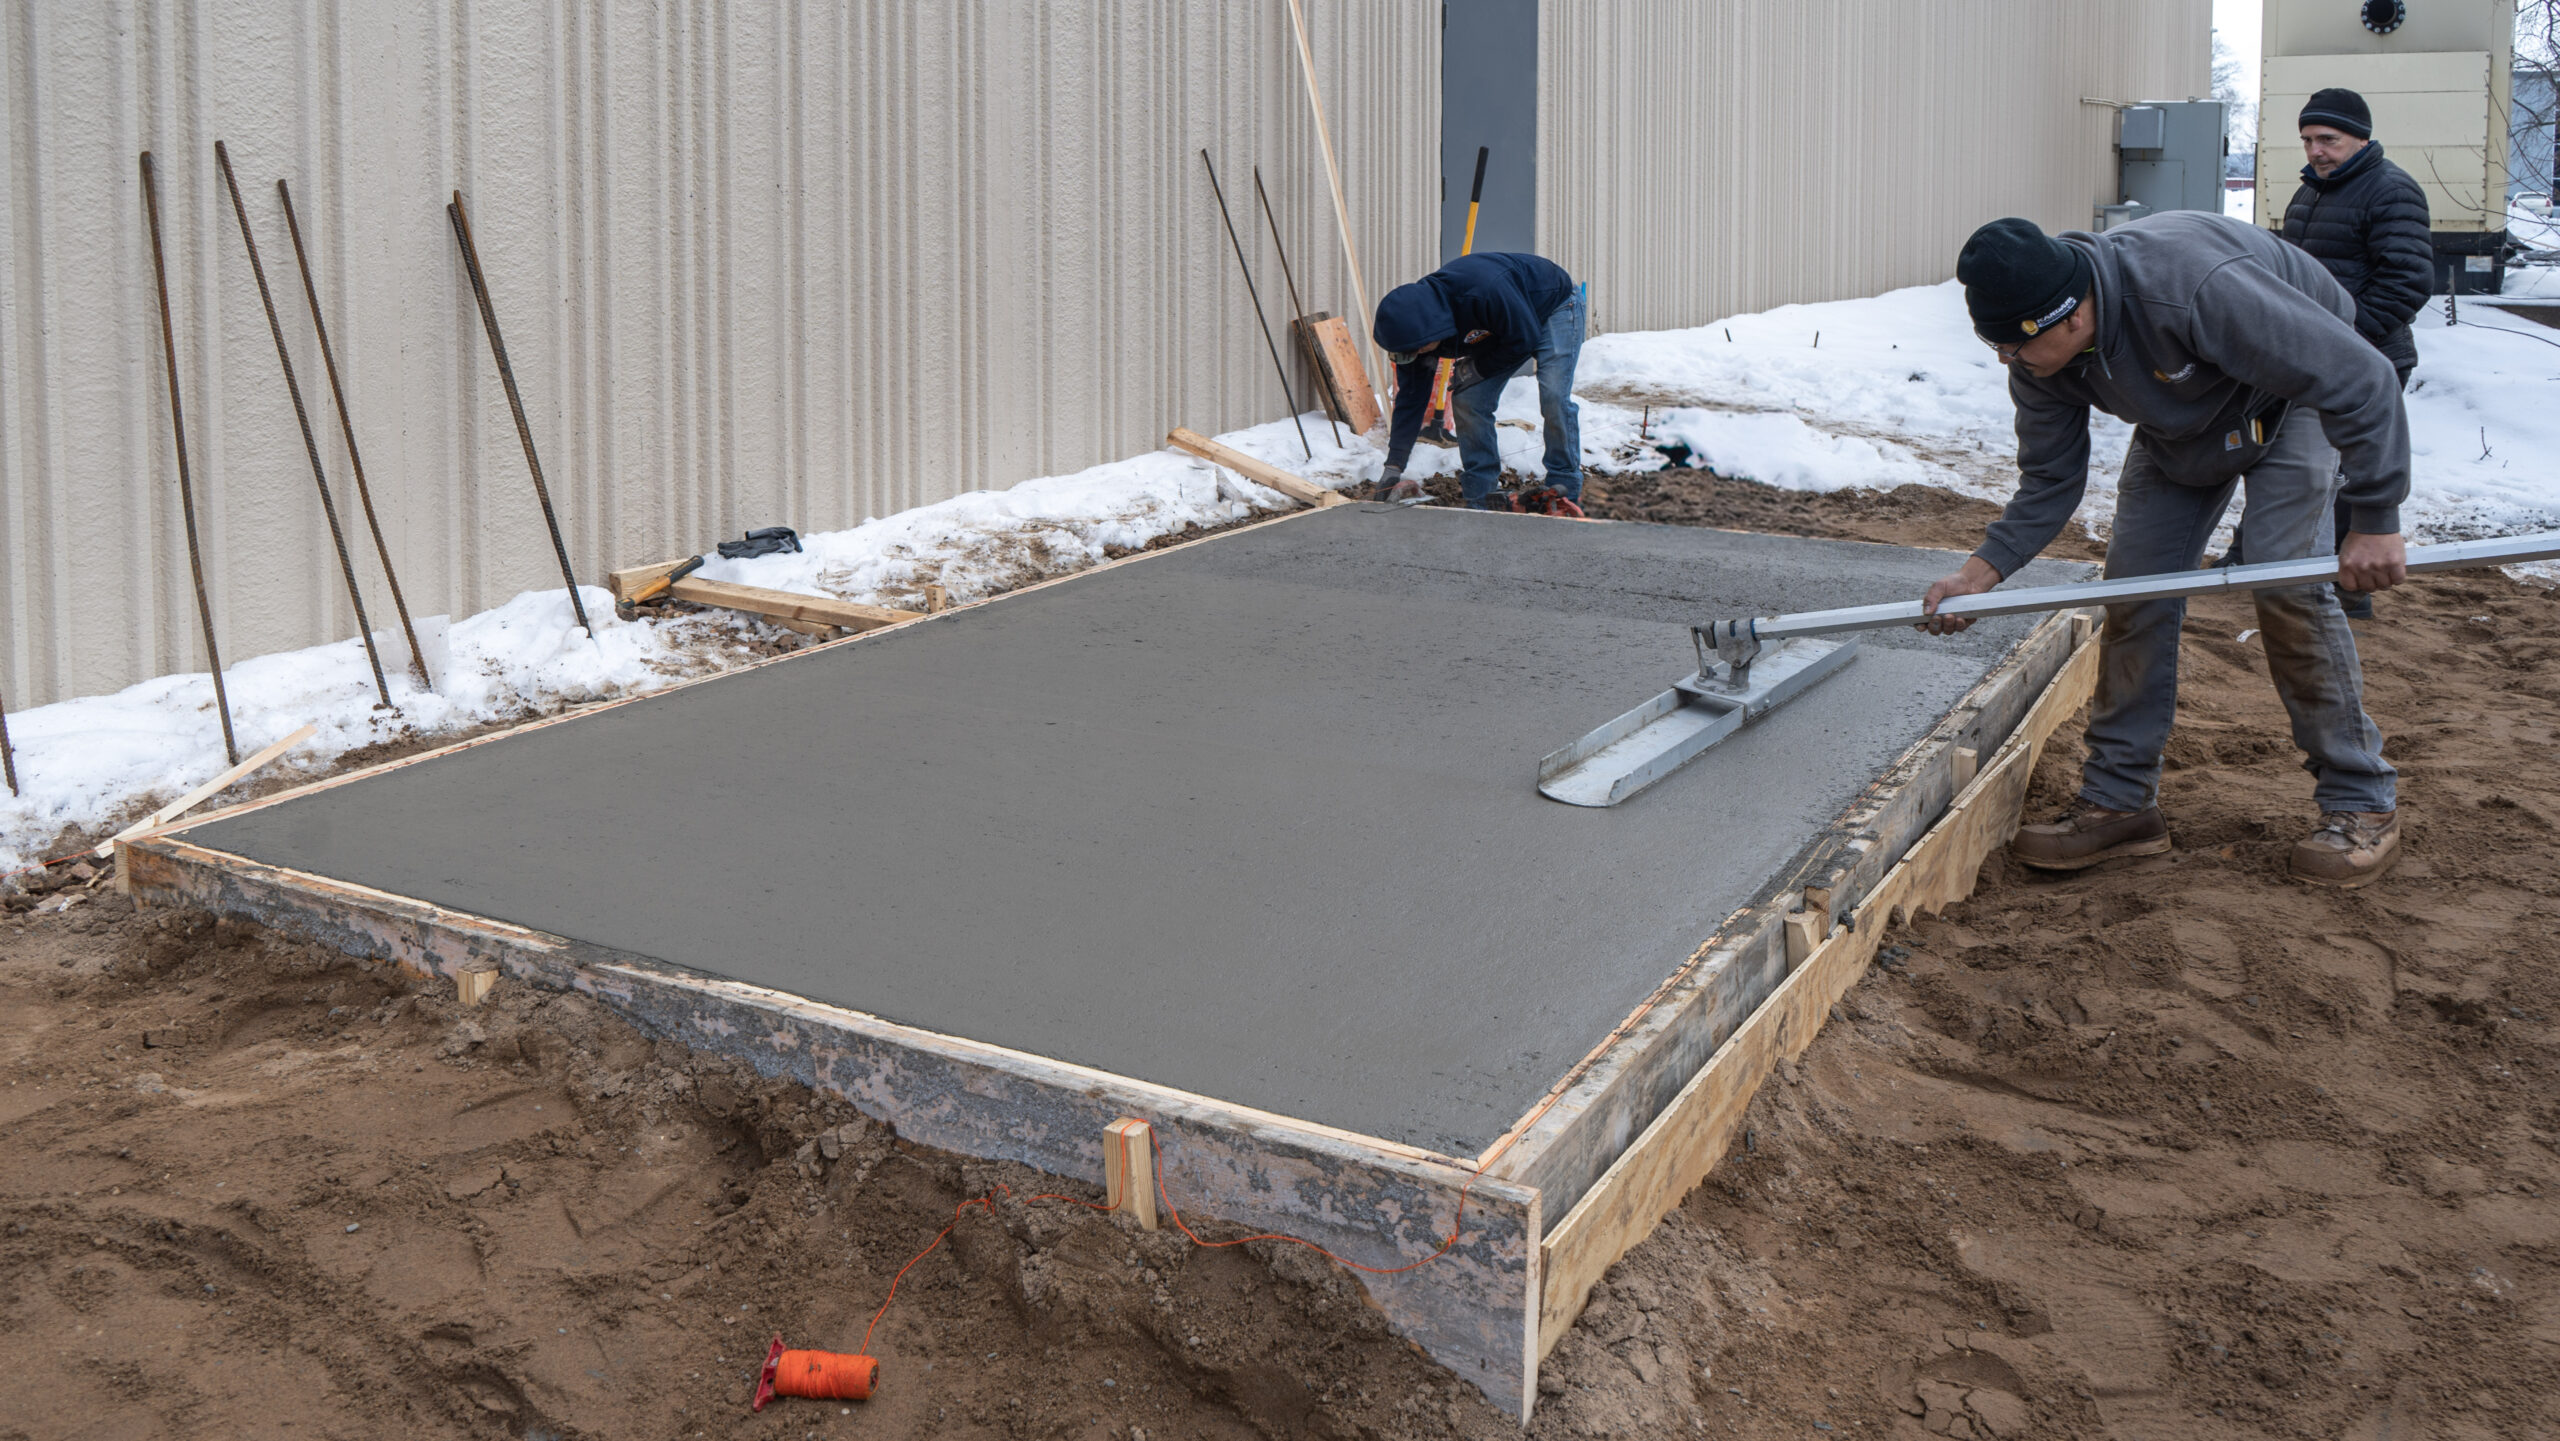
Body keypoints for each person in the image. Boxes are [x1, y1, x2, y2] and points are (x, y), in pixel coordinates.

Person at [1922, 212, 2411, 887]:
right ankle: (2120, 801)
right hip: (2181, 420)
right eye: (1994, 344)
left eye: (2013, 345)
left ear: (2071, 316)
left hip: (2291, 394)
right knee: (2134, 591)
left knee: (2285, 580)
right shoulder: (2038, 356)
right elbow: (2050, 480)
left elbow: (2362, 376)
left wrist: (2377, 517)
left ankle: (2362, 800)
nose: (2006, 360)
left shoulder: (2193, 287)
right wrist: (1979, 573)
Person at [2226, 87, 2431, 619]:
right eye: (2307, 140)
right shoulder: (2310, 191)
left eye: (2328, 139)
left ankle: (2348, 587)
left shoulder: (2391, 191)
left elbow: (2407, 283)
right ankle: (2250, 556)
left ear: (2360, 138)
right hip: (2307, 357)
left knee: (2343, 473)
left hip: (2366, 360)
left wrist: (2342, 341)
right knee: (2281, 456)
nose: (2316, 150)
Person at [1371, 253, 1585, 513]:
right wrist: (1393, 466)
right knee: (1468, 400)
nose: (1414, 356)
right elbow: (1411, 398)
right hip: (1505, 326)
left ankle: (1564, 487)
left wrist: (1477, 368)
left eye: (1416, 350)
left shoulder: (1482, 293)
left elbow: (1524, 339)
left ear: (1431, 330)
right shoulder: (1414, 337)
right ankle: (1482, 495)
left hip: (1554, 306)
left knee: (1553, 395)